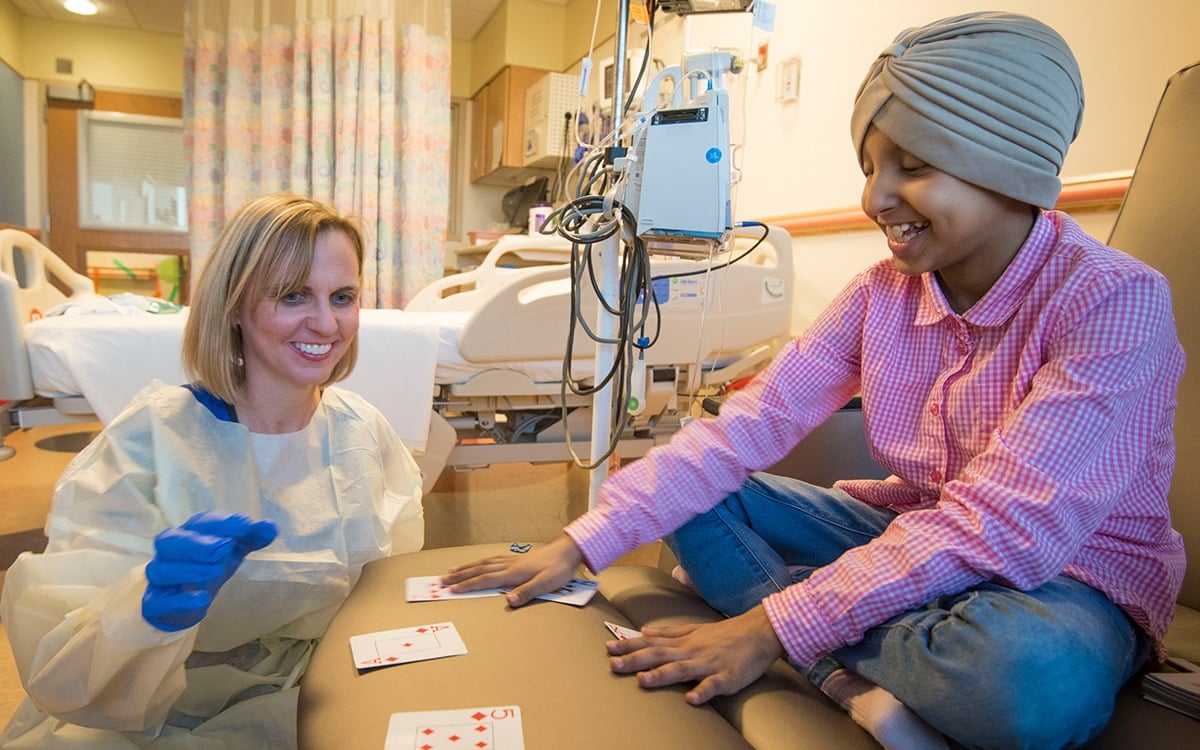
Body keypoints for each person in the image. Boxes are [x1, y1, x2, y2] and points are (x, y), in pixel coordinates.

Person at [442, 12, 1186, 750]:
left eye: (914, 166)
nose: (875, 199)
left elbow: (1005, 525)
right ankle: (849, 675)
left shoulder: (1114, 299)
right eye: (870, 168)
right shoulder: (879, 294)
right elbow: (748, 426)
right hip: (904, 532)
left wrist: (768, 625)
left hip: (1069, 580)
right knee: (698, 493)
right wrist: (578, 543)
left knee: (1023, 684)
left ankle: (819, 639)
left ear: (1007, 162)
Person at [0, 194, 424, 748]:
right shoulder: (150, 440)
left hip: (328, 697)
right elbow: (62, 668)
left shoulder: (363, 433)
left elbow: (390, 594)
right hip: (168, 715)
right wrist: (146, 611)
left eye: (342, 297)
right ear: (234, 304)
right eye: (292, 295)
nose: (325, 322)